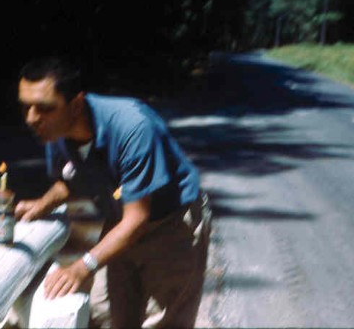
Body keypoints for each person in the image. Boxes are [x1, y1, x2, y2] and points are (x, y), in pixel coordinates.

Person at [14, 56, 211, 328]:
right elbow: (71, 178)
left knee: (163, 322)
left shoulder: (132, 127)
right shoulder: (56, 132)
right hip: (120, 222)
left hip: (171, 224)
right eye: (25, 107)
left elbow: (137, 220)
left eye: (43, 108)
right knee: (106, 316)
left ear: (76, 105)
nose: (32, 119)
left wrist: (81, 267)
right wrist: (43, 203)